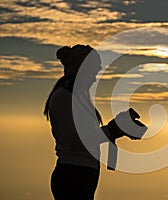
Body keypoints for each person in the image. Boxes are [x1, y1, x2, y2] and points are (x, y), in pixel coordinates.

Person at [44, 44, 117, 200]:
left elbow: (86, 138)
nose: (94, 78)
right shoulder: (63, 97)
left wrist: (116, 130)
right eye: (92, 72)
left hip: (82, 175)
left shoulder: (79, 98)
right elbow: (76, 140)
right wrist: (112, 130)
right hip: (72, 176)